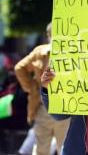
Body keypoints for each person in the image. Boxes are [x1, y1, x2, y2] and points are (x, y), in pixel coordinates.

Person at [15, 23, 69, 155]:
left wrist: (32, 88)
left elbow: (19, 68)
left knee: (59, 148)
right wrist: (32, 88)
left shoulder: (67, 51)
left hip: (62, 106)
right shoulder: (41, 52)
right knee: (47, 148)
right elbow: (19, 68)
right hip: (46, 106)